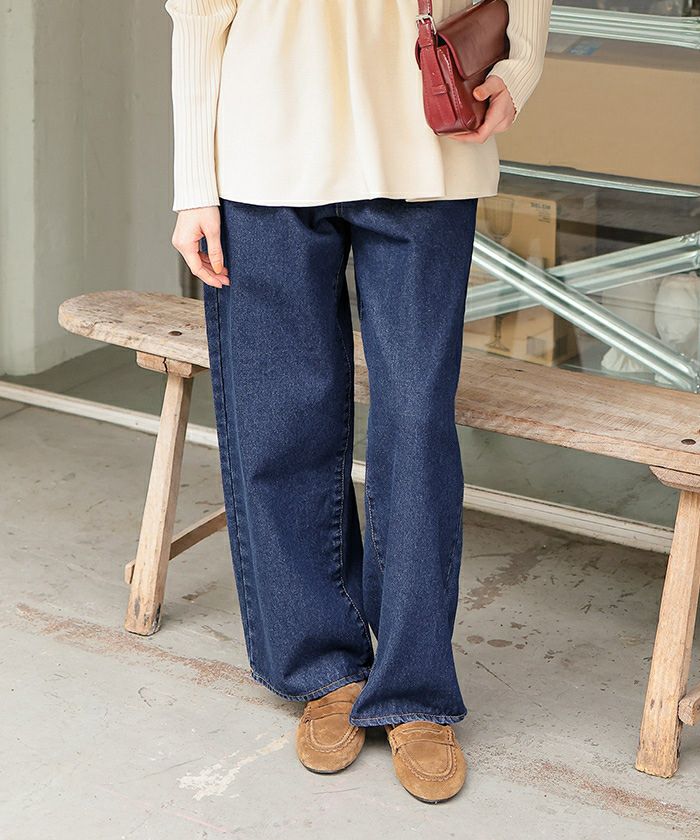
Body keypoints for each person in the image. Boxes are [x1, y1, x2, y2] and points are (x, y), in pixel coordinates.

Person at [165, 0, 551, 804]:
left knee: (416, 425)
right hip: (263, 151)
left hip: (423, 145)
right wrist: (193, 183)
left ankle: (414, 688)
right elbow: (198, 13)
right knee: (281, 423)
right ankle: (323, 669)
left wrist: (519, 67)